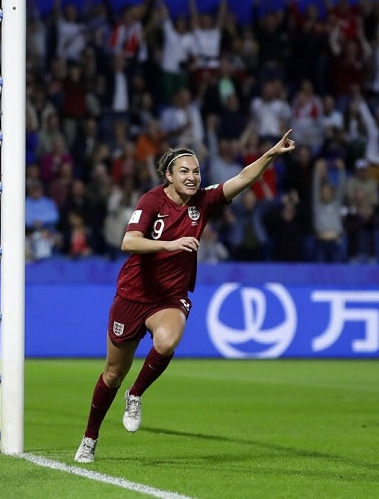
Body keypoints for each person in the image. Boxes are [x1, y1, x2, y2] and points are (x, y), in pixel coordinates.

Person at [74, 130, 297, 463]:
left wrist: (271, 155)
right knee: (112, 374)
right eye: (185, 172)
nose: (192, 177)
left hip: (170, 296)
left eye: (196, 172)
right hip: (133, 296)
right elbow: (129, 242)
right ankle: (90, 439)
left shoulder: (203, 201)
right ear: (169, 176)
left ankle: (136, 394)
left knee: (166, 342)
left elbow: (242, 179)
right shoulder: (151, 201)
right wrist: (169, 245)